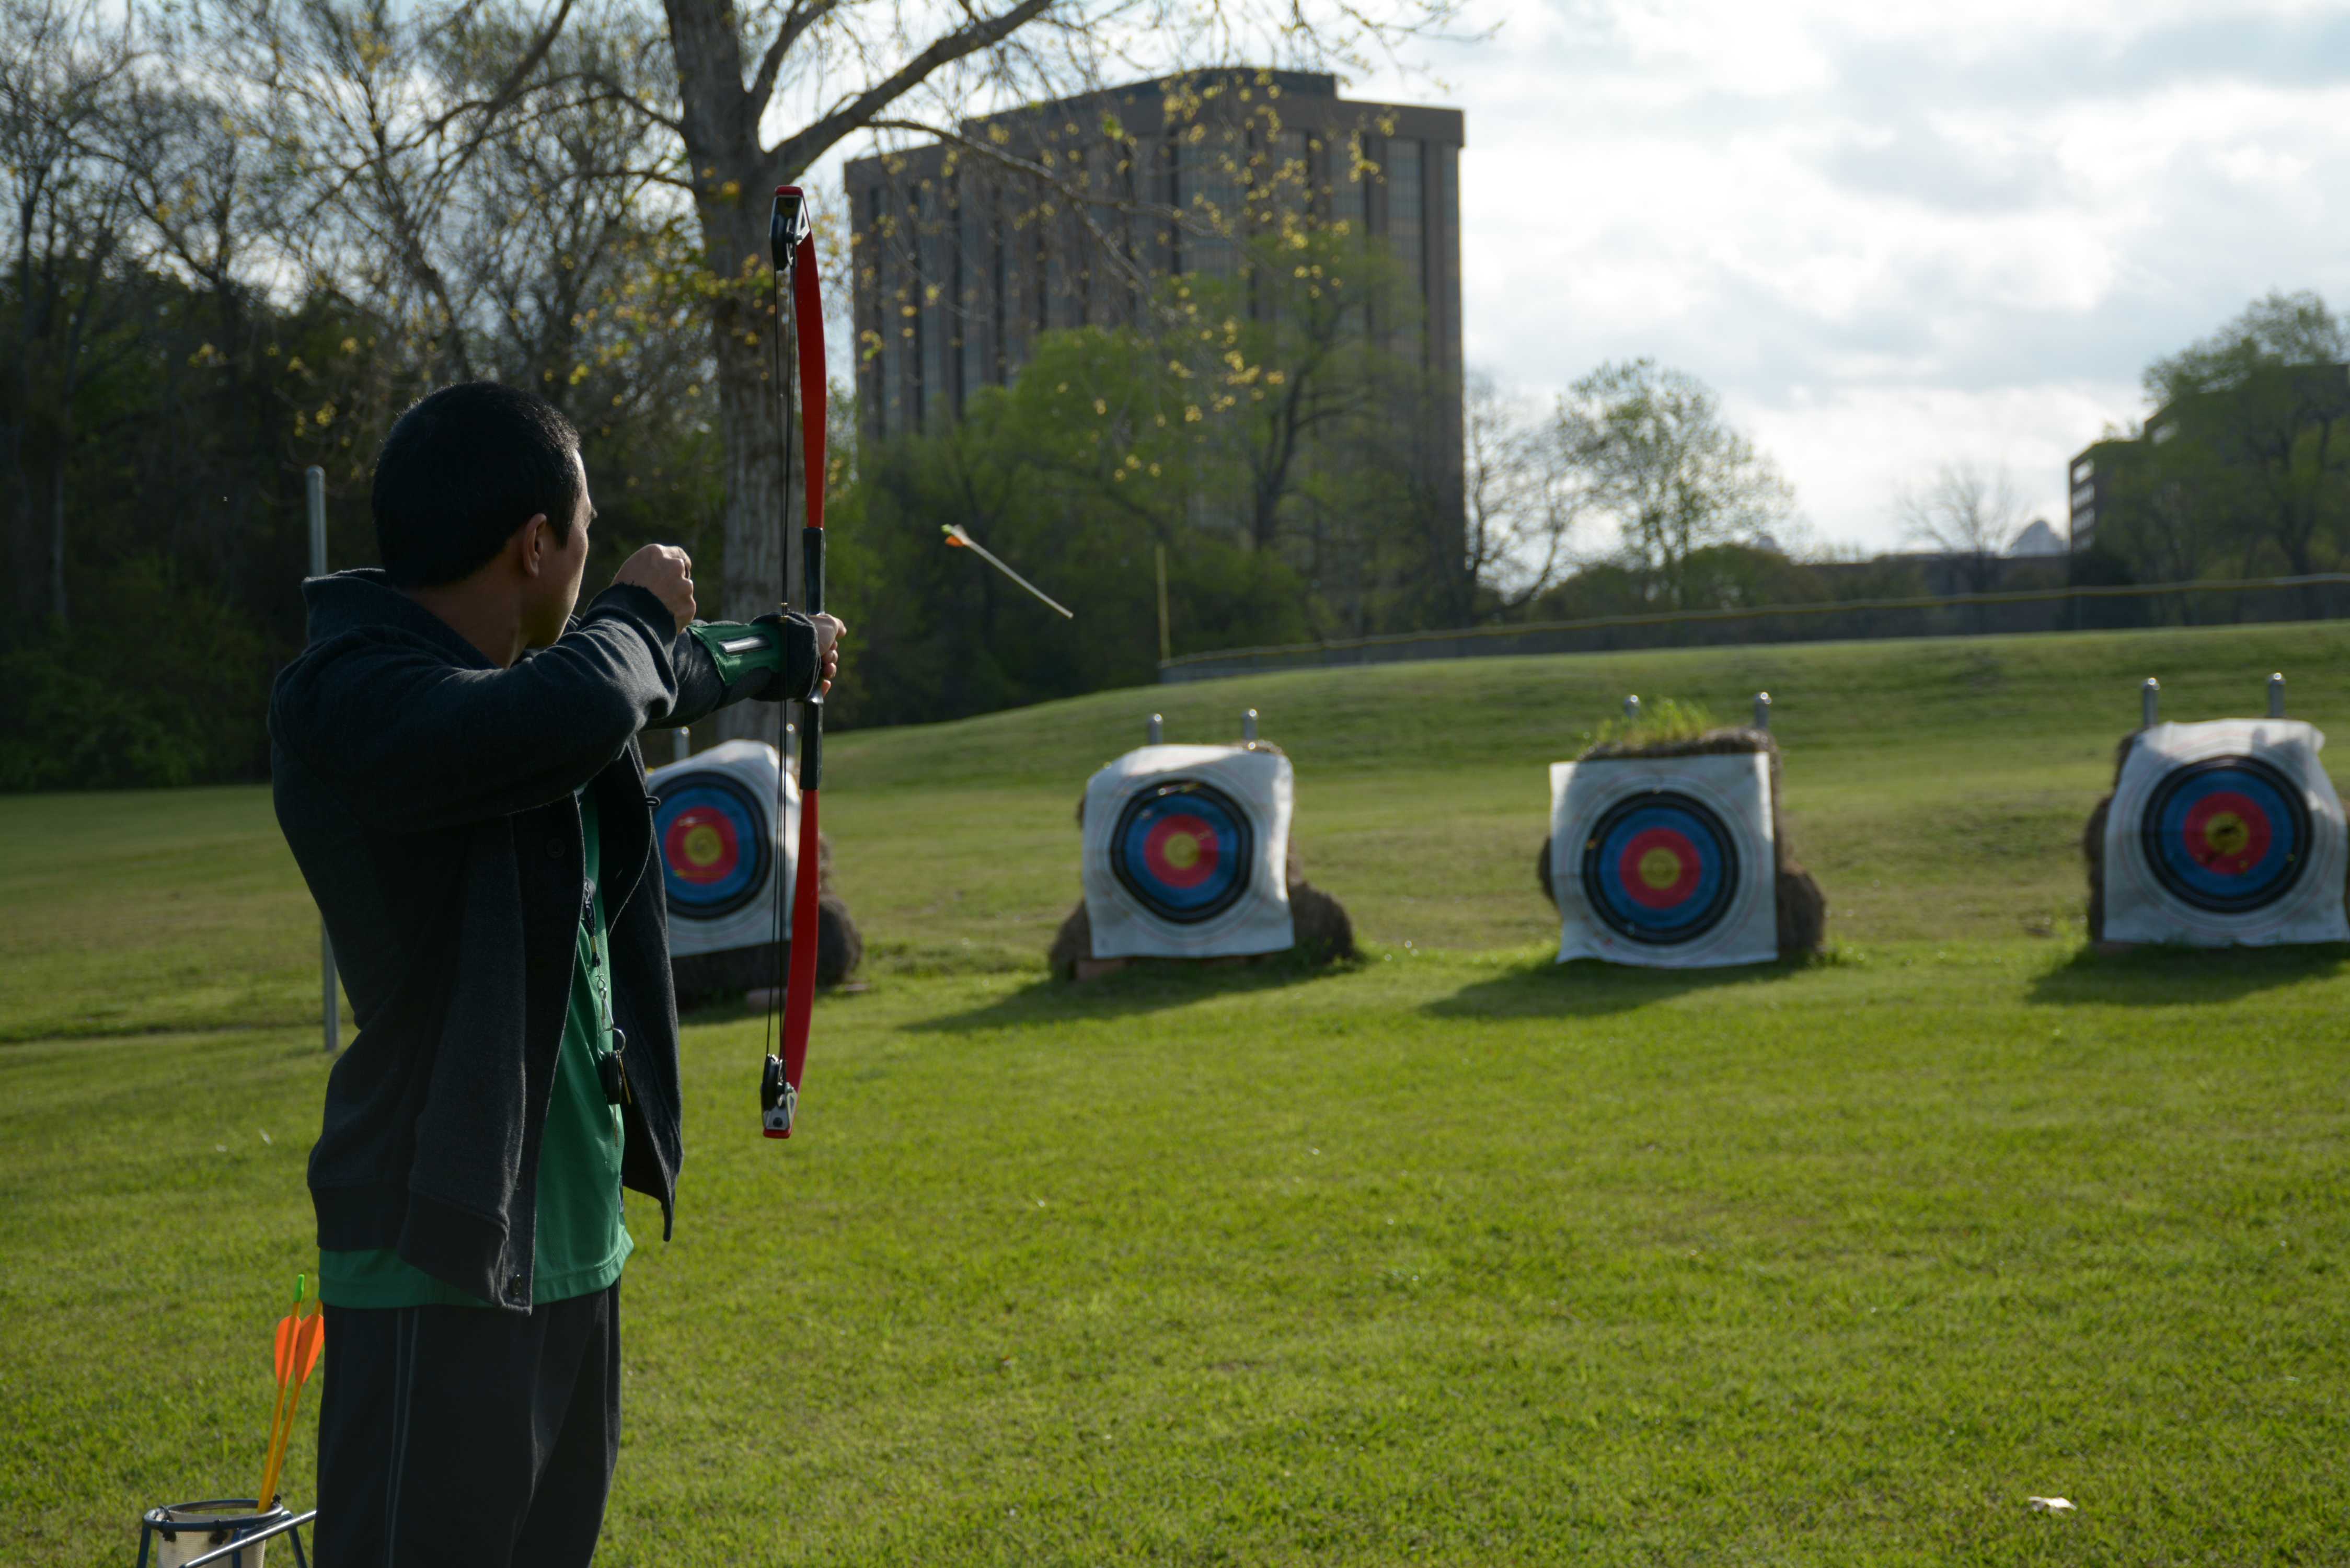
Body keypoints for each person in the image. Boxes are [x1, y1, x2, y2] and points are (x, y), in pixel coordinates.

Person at [269, 381, 844, 1565]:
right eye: (582, 535)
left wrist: (769, 650)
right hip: (434, 1250)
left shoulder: (540, 687)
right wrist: (635, 611)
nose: (588, 561)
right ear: (537, 544)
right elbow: (587, 692)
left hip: (566, 1243)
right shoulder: (351, 695)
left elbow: (646, 681)